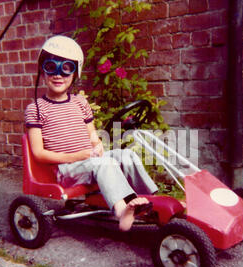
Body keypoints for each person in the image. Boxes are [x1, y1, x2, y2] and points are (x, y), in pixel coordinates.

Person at [24, 35, 158, 231]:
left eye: (66, 68)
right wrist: (80, 155)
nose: (58, 75)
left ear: (75, 73)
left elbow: (92, 136)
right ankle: (122, 211)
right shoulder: (36, 108)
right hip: (65, 170)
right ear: (42, 72)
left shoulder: (80, 102)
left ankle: (151, 201)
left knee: (126, 155)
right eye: (51, 68)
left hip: (90, 162)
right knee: (104, 162)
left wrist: (97, 146)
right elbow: (38, 153)